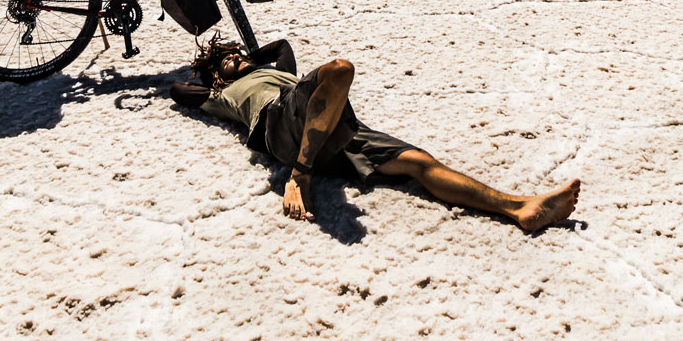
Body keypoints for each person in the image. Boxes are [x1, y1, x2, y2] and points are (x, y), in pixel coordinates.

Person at [170, 37, 581, 230]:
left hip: (328, 125)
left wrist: (240, 56)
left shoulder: (276, 69)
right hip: (279, 123)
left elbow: (279, 45)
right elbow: (178, 90)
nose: (238, 60)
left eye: (238, 54)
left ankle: (519, 208)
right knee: (340, 69)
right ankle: (301, 175)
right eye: (228, 61)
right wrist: (215, 67)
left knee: (420, 163)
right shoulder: (218, 95)